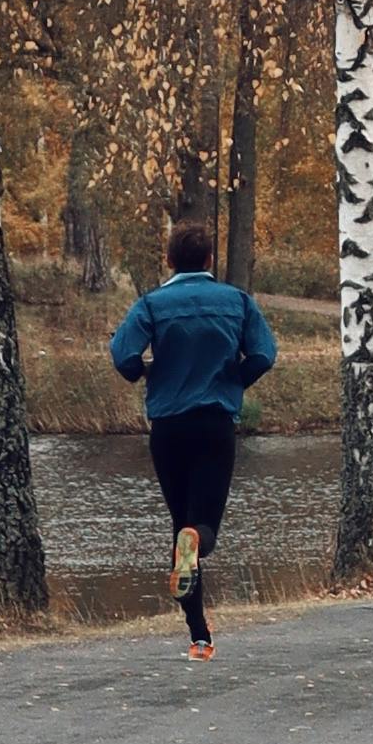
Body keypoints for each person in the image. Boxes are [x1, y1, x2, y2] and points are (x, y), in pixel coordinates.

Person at [107, 217, 280, 654]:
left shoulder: (151, 304)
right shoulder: (237, 301)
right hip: (215, 424)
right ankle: (197, 551)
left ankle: (199, 634)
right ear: (208, 259)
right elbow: (264, 353)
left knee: (180, 521)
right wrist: (233, 380)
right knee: (204, 528)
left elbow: (122, 354)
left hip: (167, 428)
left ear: (169, 260)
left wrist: (142, 373)